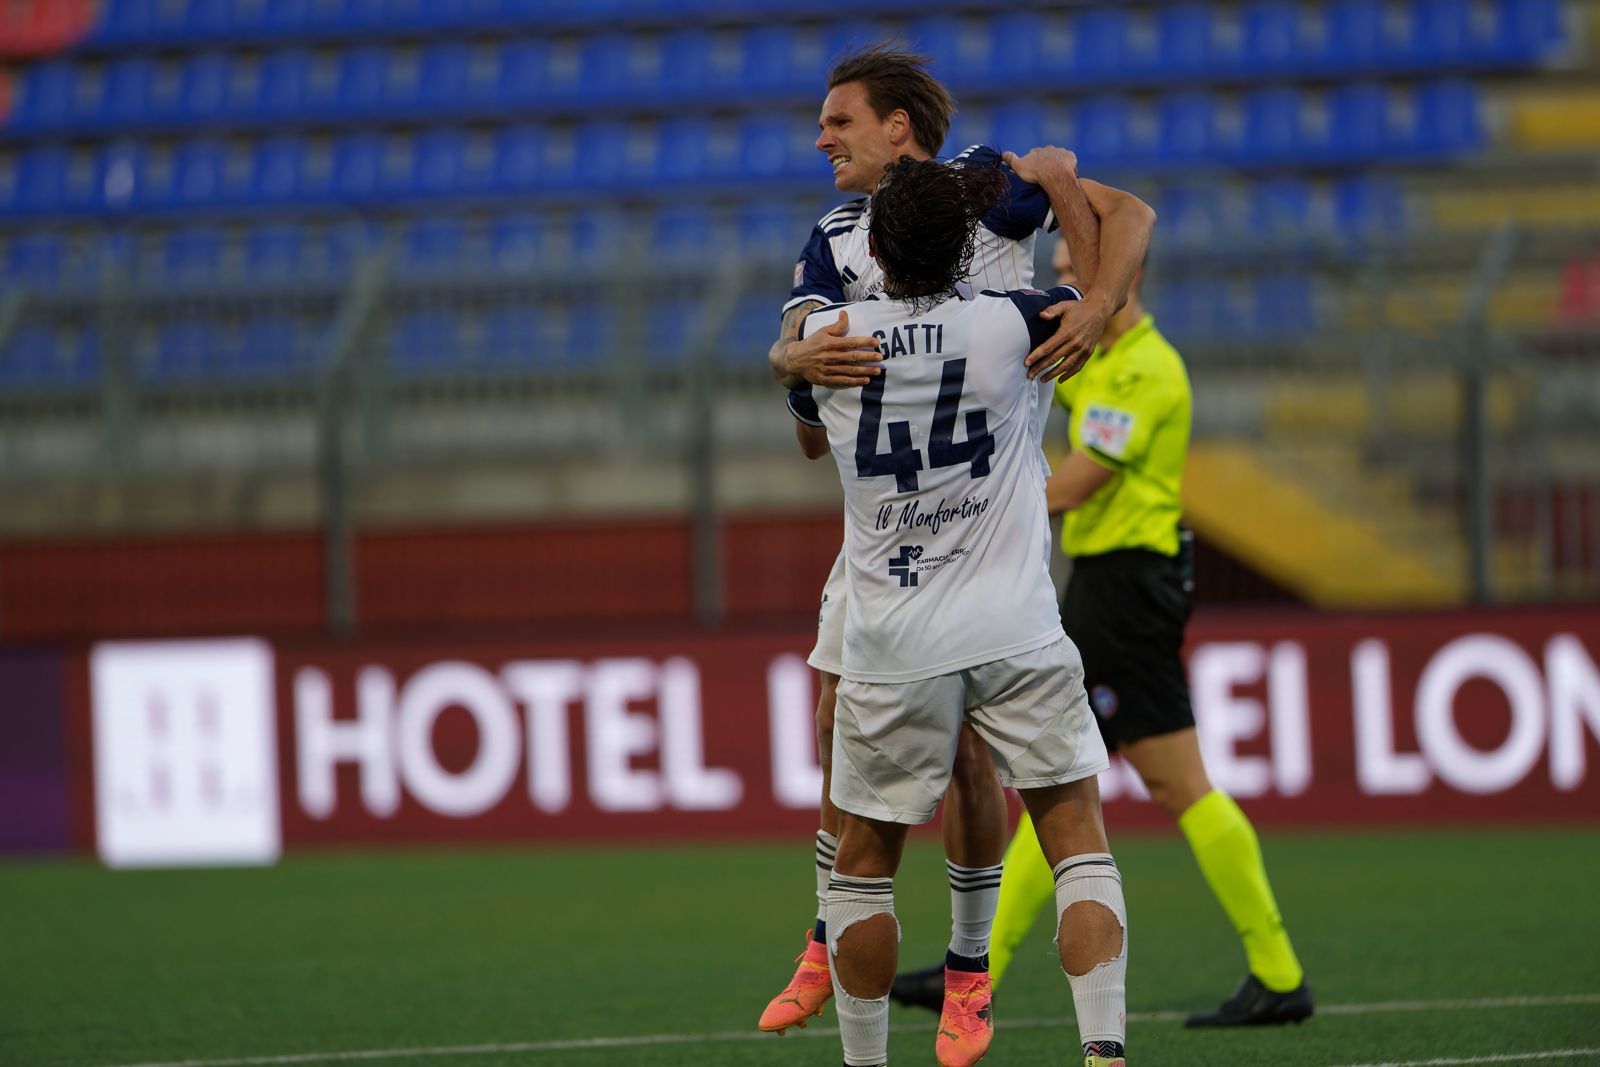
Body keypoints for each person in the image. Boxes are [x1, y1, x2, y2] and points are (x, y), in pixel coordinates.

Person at [757, 45, 1155, 1056]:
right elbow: (1094, 266)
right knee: (1060, 821)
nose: (822, 139)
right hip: (992, 567)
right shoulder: (1013, 320)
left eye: (838, 120)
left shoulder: (942, 223)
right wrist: (1092, 305)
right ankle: (1098, 1044)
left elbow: (806, 410)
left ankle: (955, 973)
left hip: (900, 570)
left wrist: (797, 368)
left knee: (878, 829)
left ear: (900, 128)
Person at [890, 235, 1314, 1029]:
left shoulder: (1145, 368)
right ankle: (972, 967)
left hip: (1126, 589)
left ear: (1120, 280)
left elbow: (1088, 475)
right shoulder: (1106, 359)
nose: (1060, 287)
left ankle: (1277, 970)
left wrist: (984, 504)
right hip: (1112, 584)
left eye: (1072, 275)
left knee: (1149, 782)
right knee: (1070, 782)